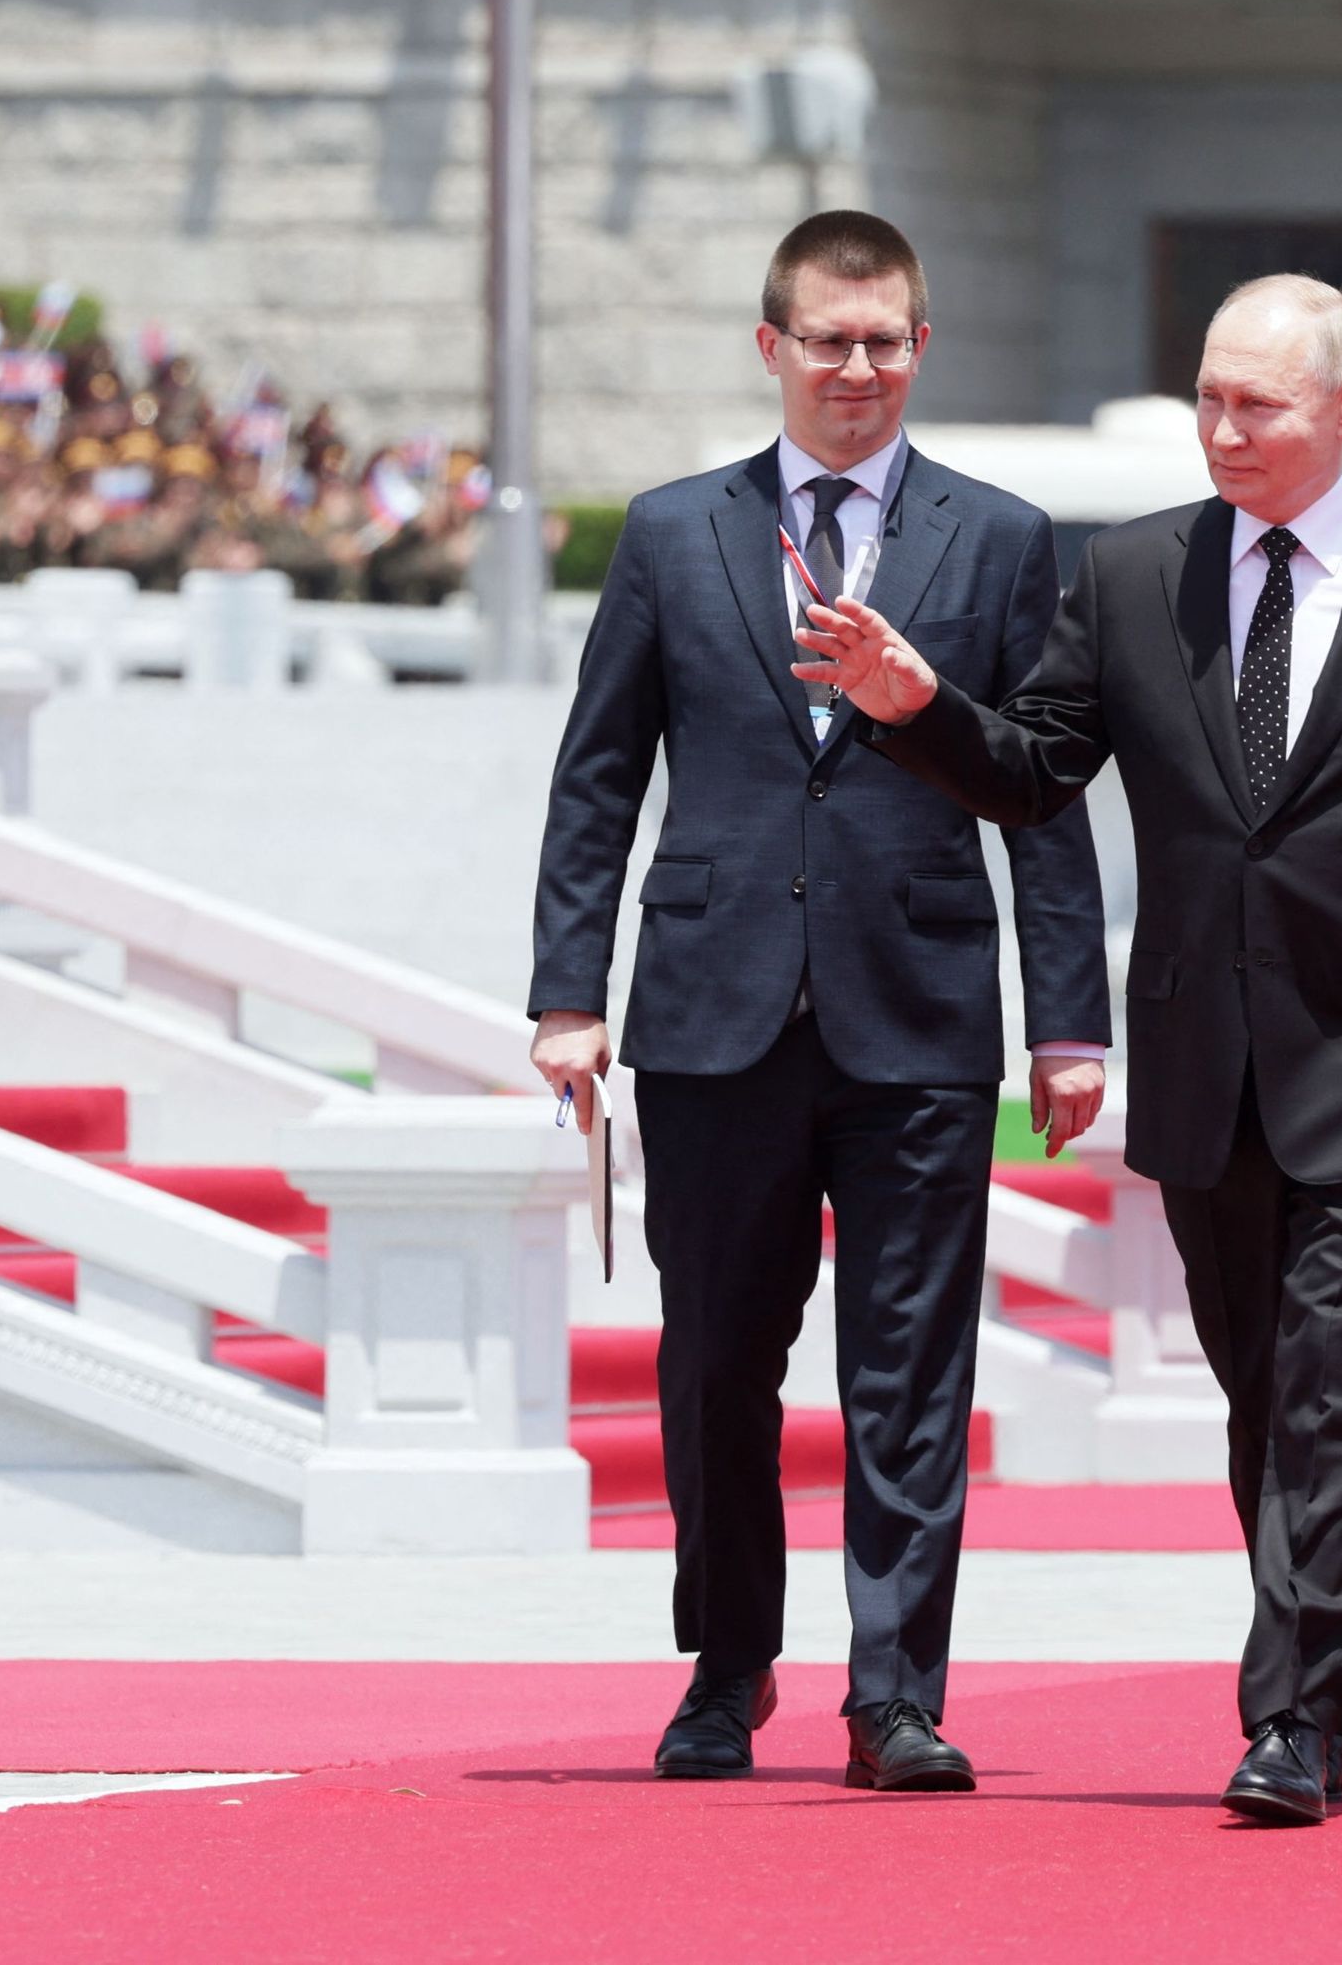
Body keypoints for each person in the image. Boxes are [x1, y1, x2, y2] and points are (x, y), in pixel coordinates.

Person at [798, 273, 1342, 1828]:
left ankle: (1289, 1721)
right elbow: (1037, 770)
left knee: (1330, 1382)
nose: (1223, 427)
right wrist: (915, 699)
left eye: (1256, 402)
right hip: (1206, 1046)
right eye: (1206, 395)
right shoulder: (1135, 572)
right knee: (1261, 1393)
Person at [527, 211, 1108, 1794]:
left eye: (886, 340)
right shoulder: (673, 532)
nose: (858, 367)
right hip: (712, 1008)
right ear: (770, 346)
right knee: (715, 1354)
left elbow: (1037, 785)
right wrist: (566, 993)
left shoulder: (995, 537)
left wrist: (1069, 1016)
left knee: (909, 1362)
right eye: (828, 339)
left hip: (916, 1006)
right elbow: (599, 777)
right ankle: (725, 1668)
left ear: (922, 347)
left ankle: (894, 1693)